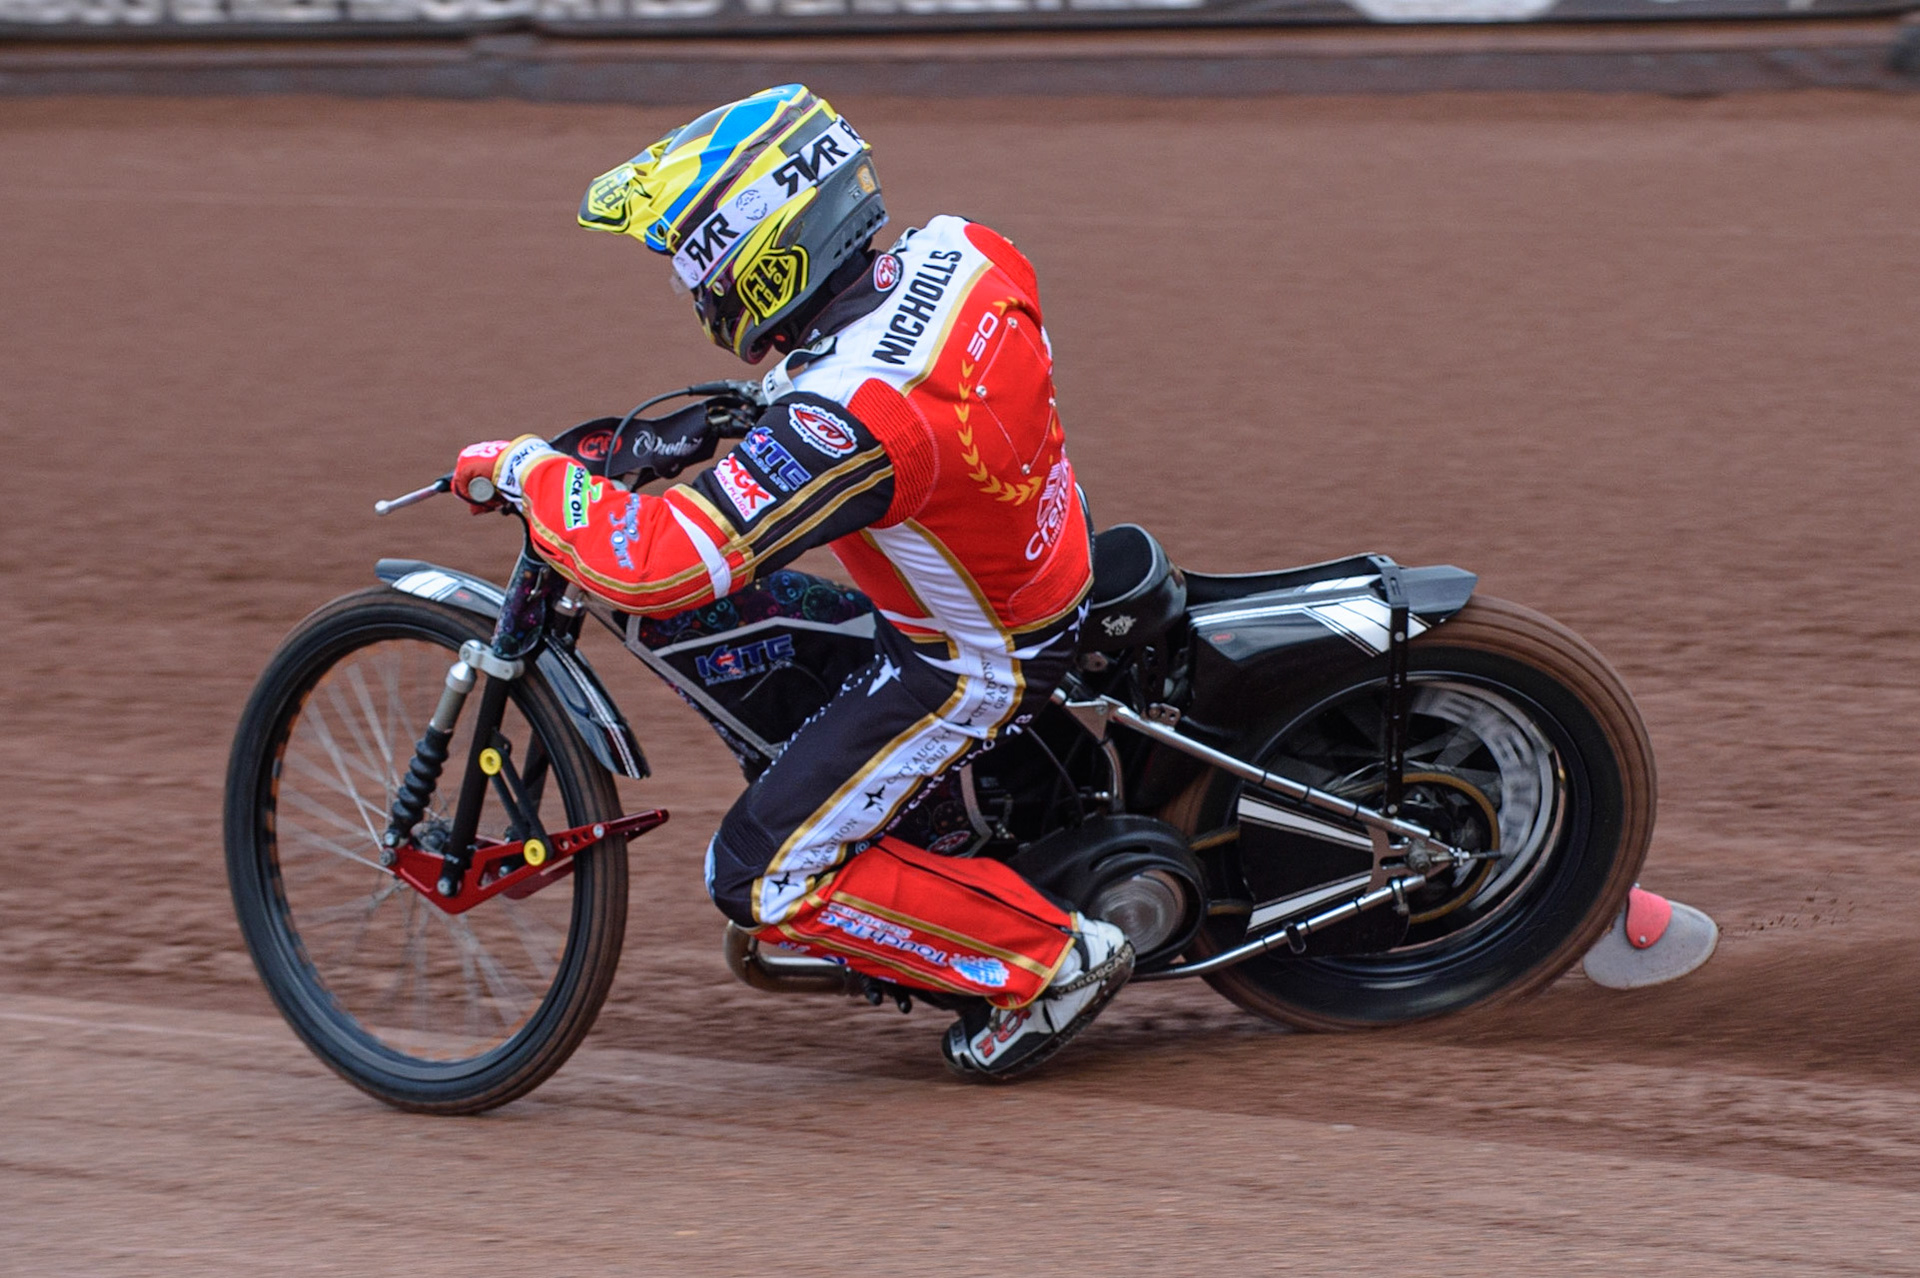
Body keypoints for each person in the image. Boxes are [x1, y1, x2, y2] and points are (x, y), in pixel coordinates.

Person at [449, 84, 1131, 1081]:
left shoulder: (845, 418)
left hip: (973, 661)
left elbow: (660, 564)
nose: (696, 292)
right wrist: (767, 404)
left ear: (767, 253)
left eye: (698, 264)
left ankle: (1053, 965)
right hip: (1035, 554)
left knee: (758, 871)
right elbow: (887, 376)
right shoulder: (968, 251)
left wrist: (522, 469)